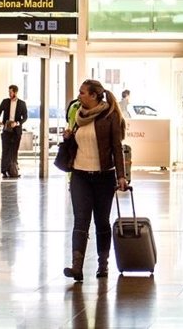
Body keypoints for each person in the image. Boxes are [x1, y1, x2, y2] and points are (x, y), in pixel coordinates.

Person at [63, 79, 128, 282]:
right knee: (80, 220)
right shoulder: (78, 113)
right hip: (79, 174)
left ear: (93, 96)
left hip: (103, 176)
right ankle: (77, 267)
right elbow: (77, 140)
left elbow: (117, 148)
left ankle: (103, 263)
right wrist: (68, 137)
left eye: (82, 93)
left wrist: (121, 175)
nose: (79, 95)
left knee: (101, 221)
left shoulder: (109, 116)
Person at [0, 85, 28, 178]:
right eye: (9, 92)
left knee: (14, 151)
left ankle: (13, 171)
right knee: (5, 150)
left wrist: (17, 123)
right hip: (6, 129)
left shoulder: (22, 103)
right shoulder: (5, 102)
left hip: (16, 130)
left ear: (15, 92)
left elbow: (25, 117)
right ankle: (4, 171)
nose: (9, 94)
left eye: (11, 92)